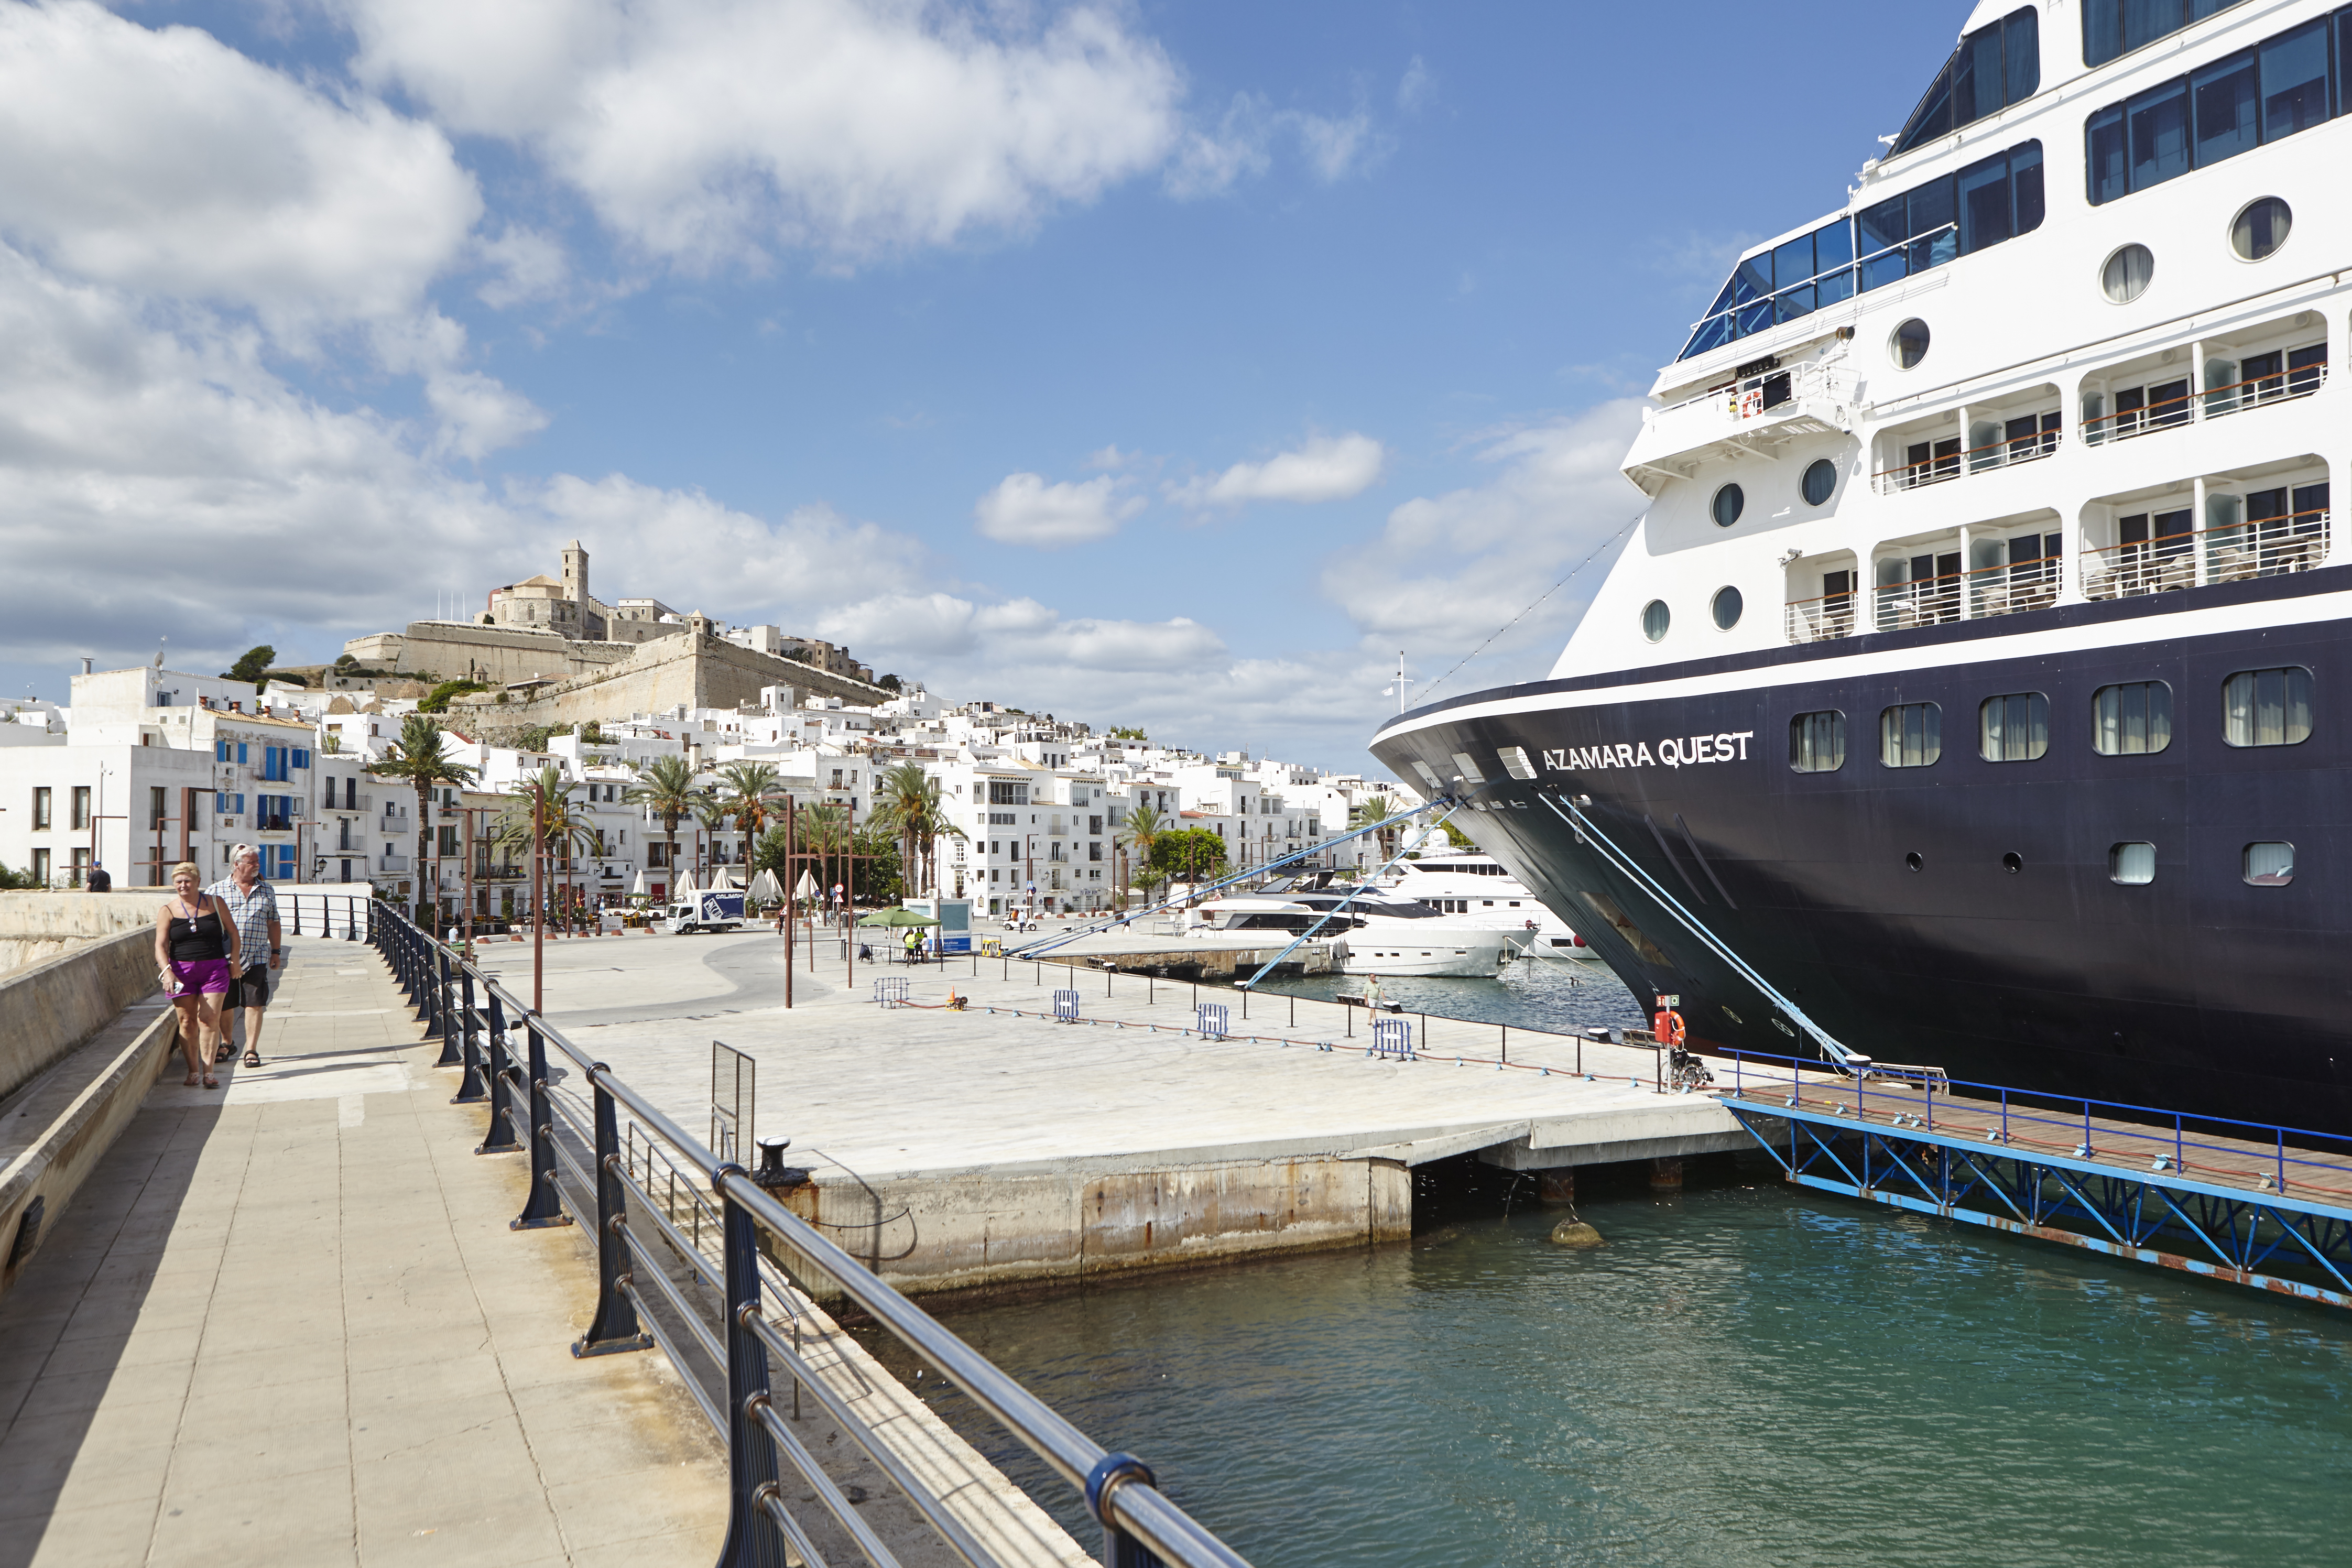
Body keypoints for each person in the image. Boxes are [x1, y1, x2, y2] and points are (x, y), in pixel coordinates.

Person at [155, 861, 236, 1088]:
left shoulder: (215, 904)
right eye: (178, 882)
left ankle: (209, 1072)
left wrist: (236, 962)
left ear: (199, 882)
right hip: (181, 972)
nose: (183, 885)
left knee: (209, 1019)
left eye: (188, 881)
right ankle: (193, 1071)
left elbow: (233, 933)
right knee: (187, 1021)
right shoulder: (168, 910)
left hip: (215, 969)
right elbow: (160, 946)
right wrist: (167, 972)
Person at [209, 845, 281, 1069]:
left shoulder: (267, 890)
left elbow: (273, 921)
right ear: (236, 864)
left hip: (257, 955)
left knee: (255, 1003)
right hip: (226, 958)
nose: (256, 865)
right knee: (226, 1005)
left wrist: (276, 951)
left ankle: (251, 1049)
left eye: (257, 861)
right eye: (251, 862)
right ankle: (227, 1043)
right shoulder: (216, 891)